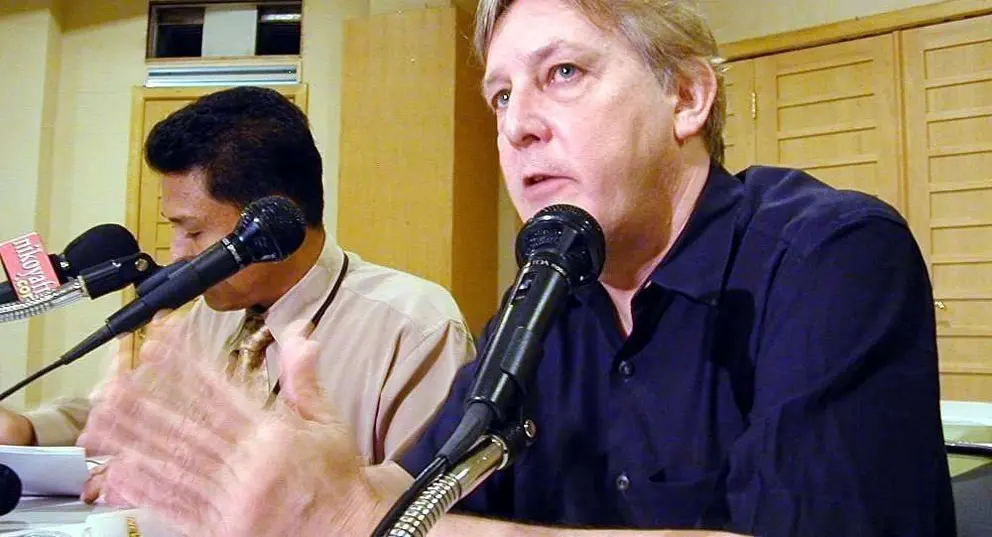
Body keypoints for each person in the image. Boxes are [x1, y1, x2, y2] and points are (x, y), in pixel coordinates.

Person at [78, 0, 956, 535]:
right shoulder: (551, 291)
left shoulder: (832, 253)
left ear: (685, 96)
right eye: (502, 95)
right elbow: (411, 486)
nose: (517, 126)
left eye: (563, 73)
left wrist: (348, 518)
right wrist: (292, 487)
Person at [0, 86, 474, 498]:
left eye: (193, 232)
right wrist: (27, 428)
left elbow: (426, 505)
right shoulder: (212, 312)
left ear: (273, 224)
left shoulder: (412, 328)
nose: (179, 254)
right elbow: (130, 414)